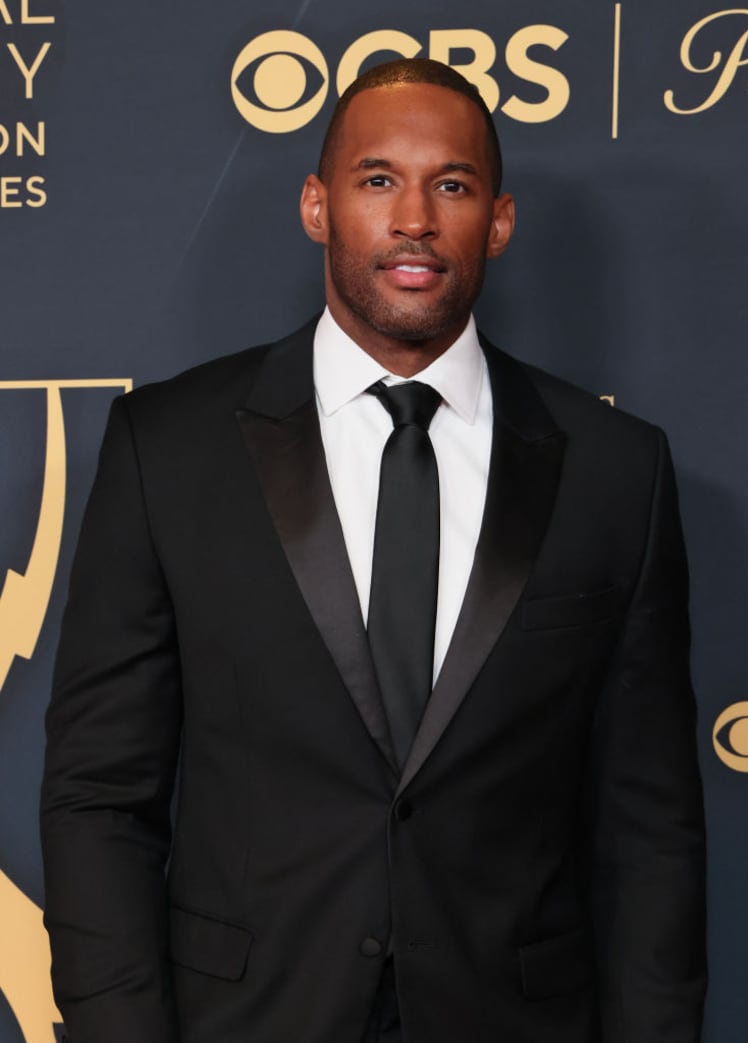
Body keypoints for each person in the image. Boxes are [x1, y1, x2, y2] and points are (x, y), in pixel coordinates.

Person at [40, 58, 706, 1043]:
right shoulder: (168, 449)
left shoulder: (616, 469)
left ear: (498, 220)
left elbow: (648, 831)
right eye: (376, 179)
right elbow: (100, 791)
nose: (414, 221)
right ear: (316, 205)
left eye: (451, 184)